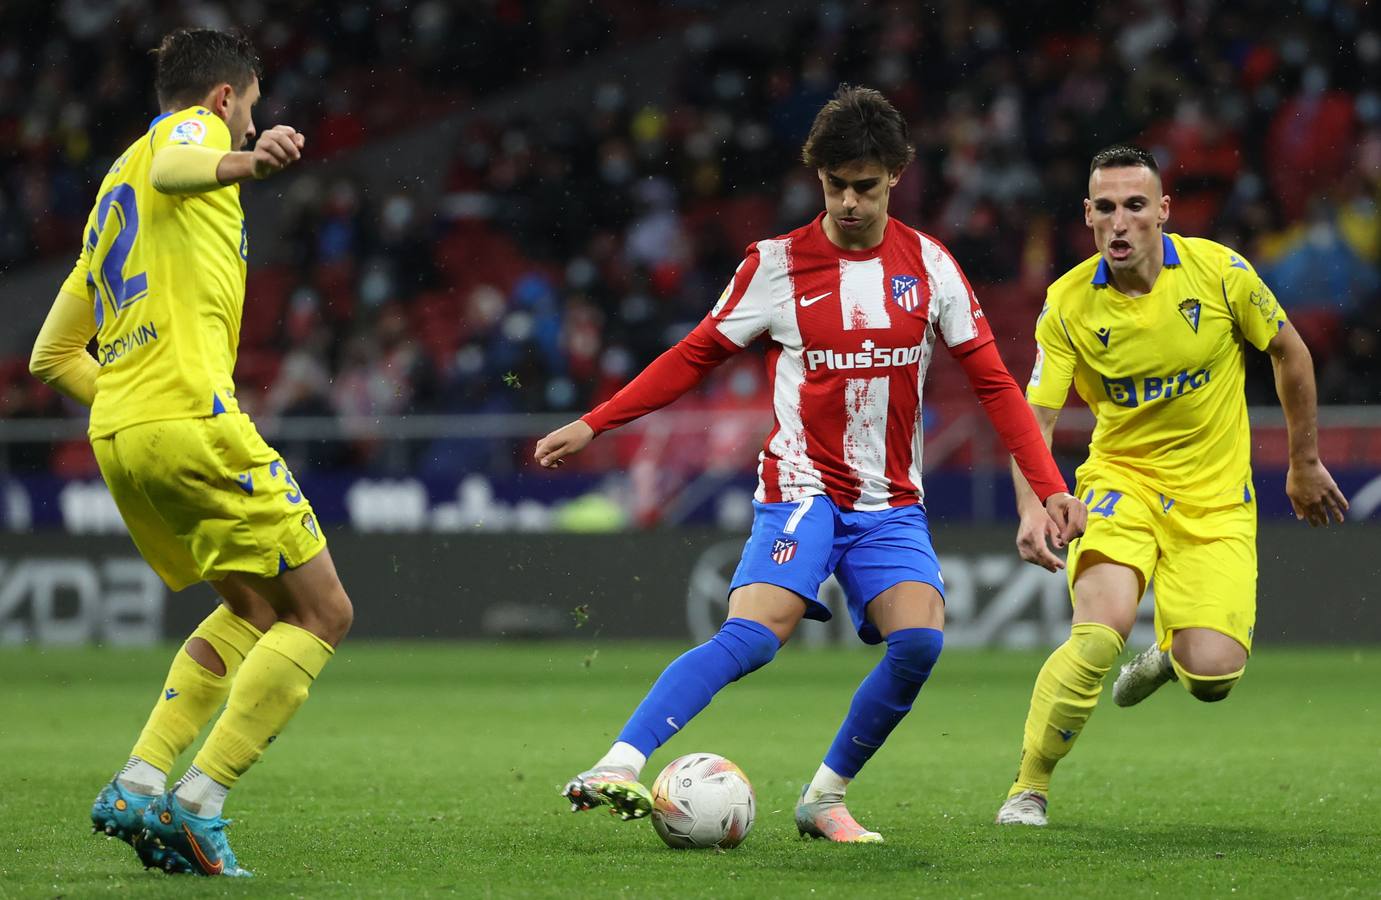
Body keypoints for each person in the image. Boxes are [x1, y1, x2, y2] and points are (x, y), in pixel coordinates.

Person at [535, 85, 1087, 843]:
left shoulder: (930, 266)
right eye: (834, 187)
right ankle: (618, 762)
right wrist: (596, 423)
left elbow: (995, 385)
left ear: (896, 174)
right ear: (817, 179)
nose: (850, 202)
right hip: (801, 488)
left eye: (864, 185)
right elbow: (695, 354)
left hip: (890, 499)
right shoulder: (774, 265)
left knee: (921, 641)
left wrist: (1049, 490)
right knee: (756, 634)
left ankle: (822, 797)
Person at [28, 28, 353, 876]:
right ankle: (200, 798)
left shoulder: (110, 197)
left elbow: (51, 356)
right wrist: (252, 165)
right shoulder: (184, 139)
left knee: (252, 608)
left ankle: (140, 778)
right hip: (191, 421)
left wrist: (135, 405)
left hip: (123, 437)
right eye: (248, 110)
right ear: (222, 97)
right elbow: (183, 158)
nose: (249, 127)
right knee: (323, 612)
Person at [994, 145, 1348, 827]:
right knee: (1096, 635)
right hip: (1119, 482)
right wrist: (1029, 506)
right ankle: (1028, 787)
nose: (1119, 222)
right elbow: (1029, 417)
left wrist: (1302, 462)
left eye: (1134, 206)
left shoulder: (1221, 274)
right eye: (1105, 208)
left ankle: (1166, 653)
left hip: (1213, 498)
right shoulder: (1067, 302)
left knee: (1212, 675)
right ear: (1087, 217)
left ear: (1162, 211)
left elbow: (1289, 352)